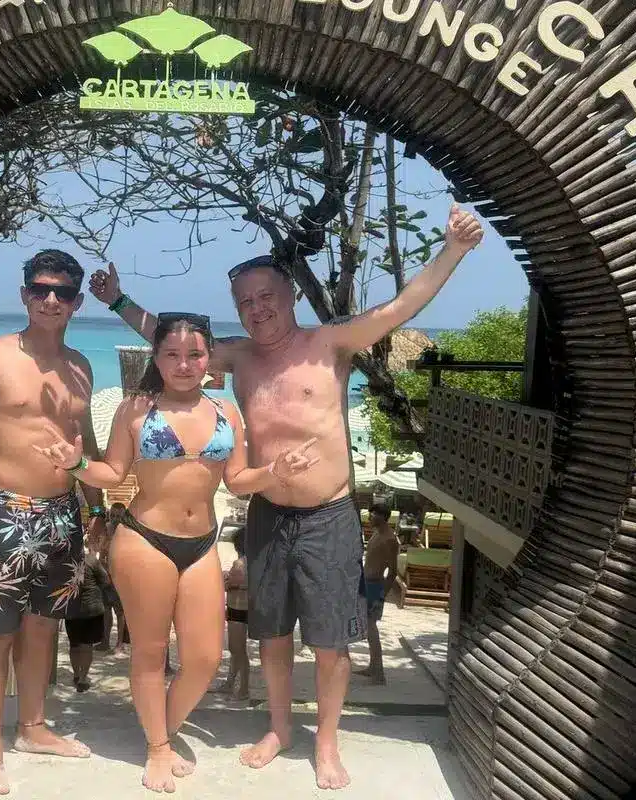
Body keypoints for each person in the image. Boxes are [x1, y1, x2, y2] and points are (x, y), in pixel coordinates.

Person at [90, 203, 484, 790]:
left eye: (266, 296)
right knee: (271, 634)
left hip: (329, 516)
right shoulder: (238, 357)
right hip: (268, 513)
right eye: (245, 302)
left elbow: (400, 307)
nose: (257, 309)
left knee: (329, 642)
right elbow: (172, 342)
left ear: (291, 294)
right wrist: (118, 301)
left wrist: (453, 249)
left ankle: (326, 741)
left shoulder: (330, 342)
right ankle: (279, 728)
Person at [33, 312, 321, 793]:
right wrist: (76, 463)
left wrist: (277, 471)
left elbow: (237, 481)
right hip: (145, 539)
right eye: (172, 354)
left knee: (206, 658)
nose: (184, 364)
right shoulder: (135, 409)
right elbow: (112, 473)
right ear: (157, 356)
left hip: (202, 543)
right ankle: (157, 747)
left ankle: (161, 729)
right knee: (150, 653)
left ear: (209, 359)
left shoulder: (225, 410)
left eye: (194, 354)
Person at [0, 250, 109, 796]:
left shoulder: (81, 367)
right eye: (40, 289)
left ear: (77, 302)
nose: (50, 300)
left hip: (63, 512)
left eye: (62, 292)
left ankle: (33, 728)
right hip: (1, 509)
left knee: (44, 628)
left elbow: (85, 445)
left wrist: (97, 509)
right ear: (24, 295)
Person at [358, 497, 400, 685]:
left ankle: (380, 673)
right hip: (366, 584)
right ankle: (373, 667)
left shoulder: (390, 540)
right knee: (368, 628)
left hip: (375, 586)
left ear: (383, 517)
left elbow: (393, 571)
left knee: (371, 627)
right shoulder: (376, 533)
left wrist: (382, 595)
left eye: (373, 515)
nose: (369, 518)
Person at [66, 543, 109, 693]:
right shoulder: (91, 560)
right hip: (92, 609)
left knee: (74, 645)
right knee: (87, 645)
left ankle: (76, 675)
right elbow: (105, 581)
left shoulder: (66, 561)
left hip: (72, 609)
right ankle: (83, 679)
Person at [215, 533, 251, 700]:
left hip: (237, 609)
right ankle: (230, 683)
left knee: (237, 650)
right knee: (237, 650)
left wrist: (224, 578)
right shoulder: (253, 562)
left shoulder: (240, 563)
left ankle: (243, 689)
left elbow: (230, 585)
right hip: (244, 608)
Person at [97, 503, 129, 651]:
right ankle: (105, 641)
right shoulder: (106, 529)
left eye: (119, 516)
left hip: (121, 577)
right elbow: (101, 554)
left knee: (120, 611)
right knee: (105, 609)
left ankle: (119, 643)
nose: (115, 519)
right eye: (113, 515)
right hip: (106, 575)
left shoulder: (128, 532)